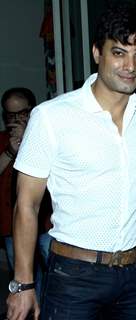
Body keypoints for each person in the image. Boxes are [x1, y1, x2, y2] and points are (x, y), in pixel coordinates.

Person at [6, 7, 136, 320]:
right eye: (119, 52)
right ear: (97, 53)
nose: (130, 66)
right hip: (74, 277)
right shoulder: (52, 117)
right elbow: (26, 205)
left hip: (135, 276)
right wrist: (23, 284)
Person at [0, 88, 52, 300]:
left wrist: (29, 139)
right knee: (23, 276)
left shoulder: (45, 134)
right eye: (10, 115)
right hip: (12, 224)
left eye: (21, 113)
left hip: (48, 220)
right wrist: (10, 151)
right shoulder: (3, 140)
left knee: (54, 271)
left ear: (32, 111)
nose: (15, 119)